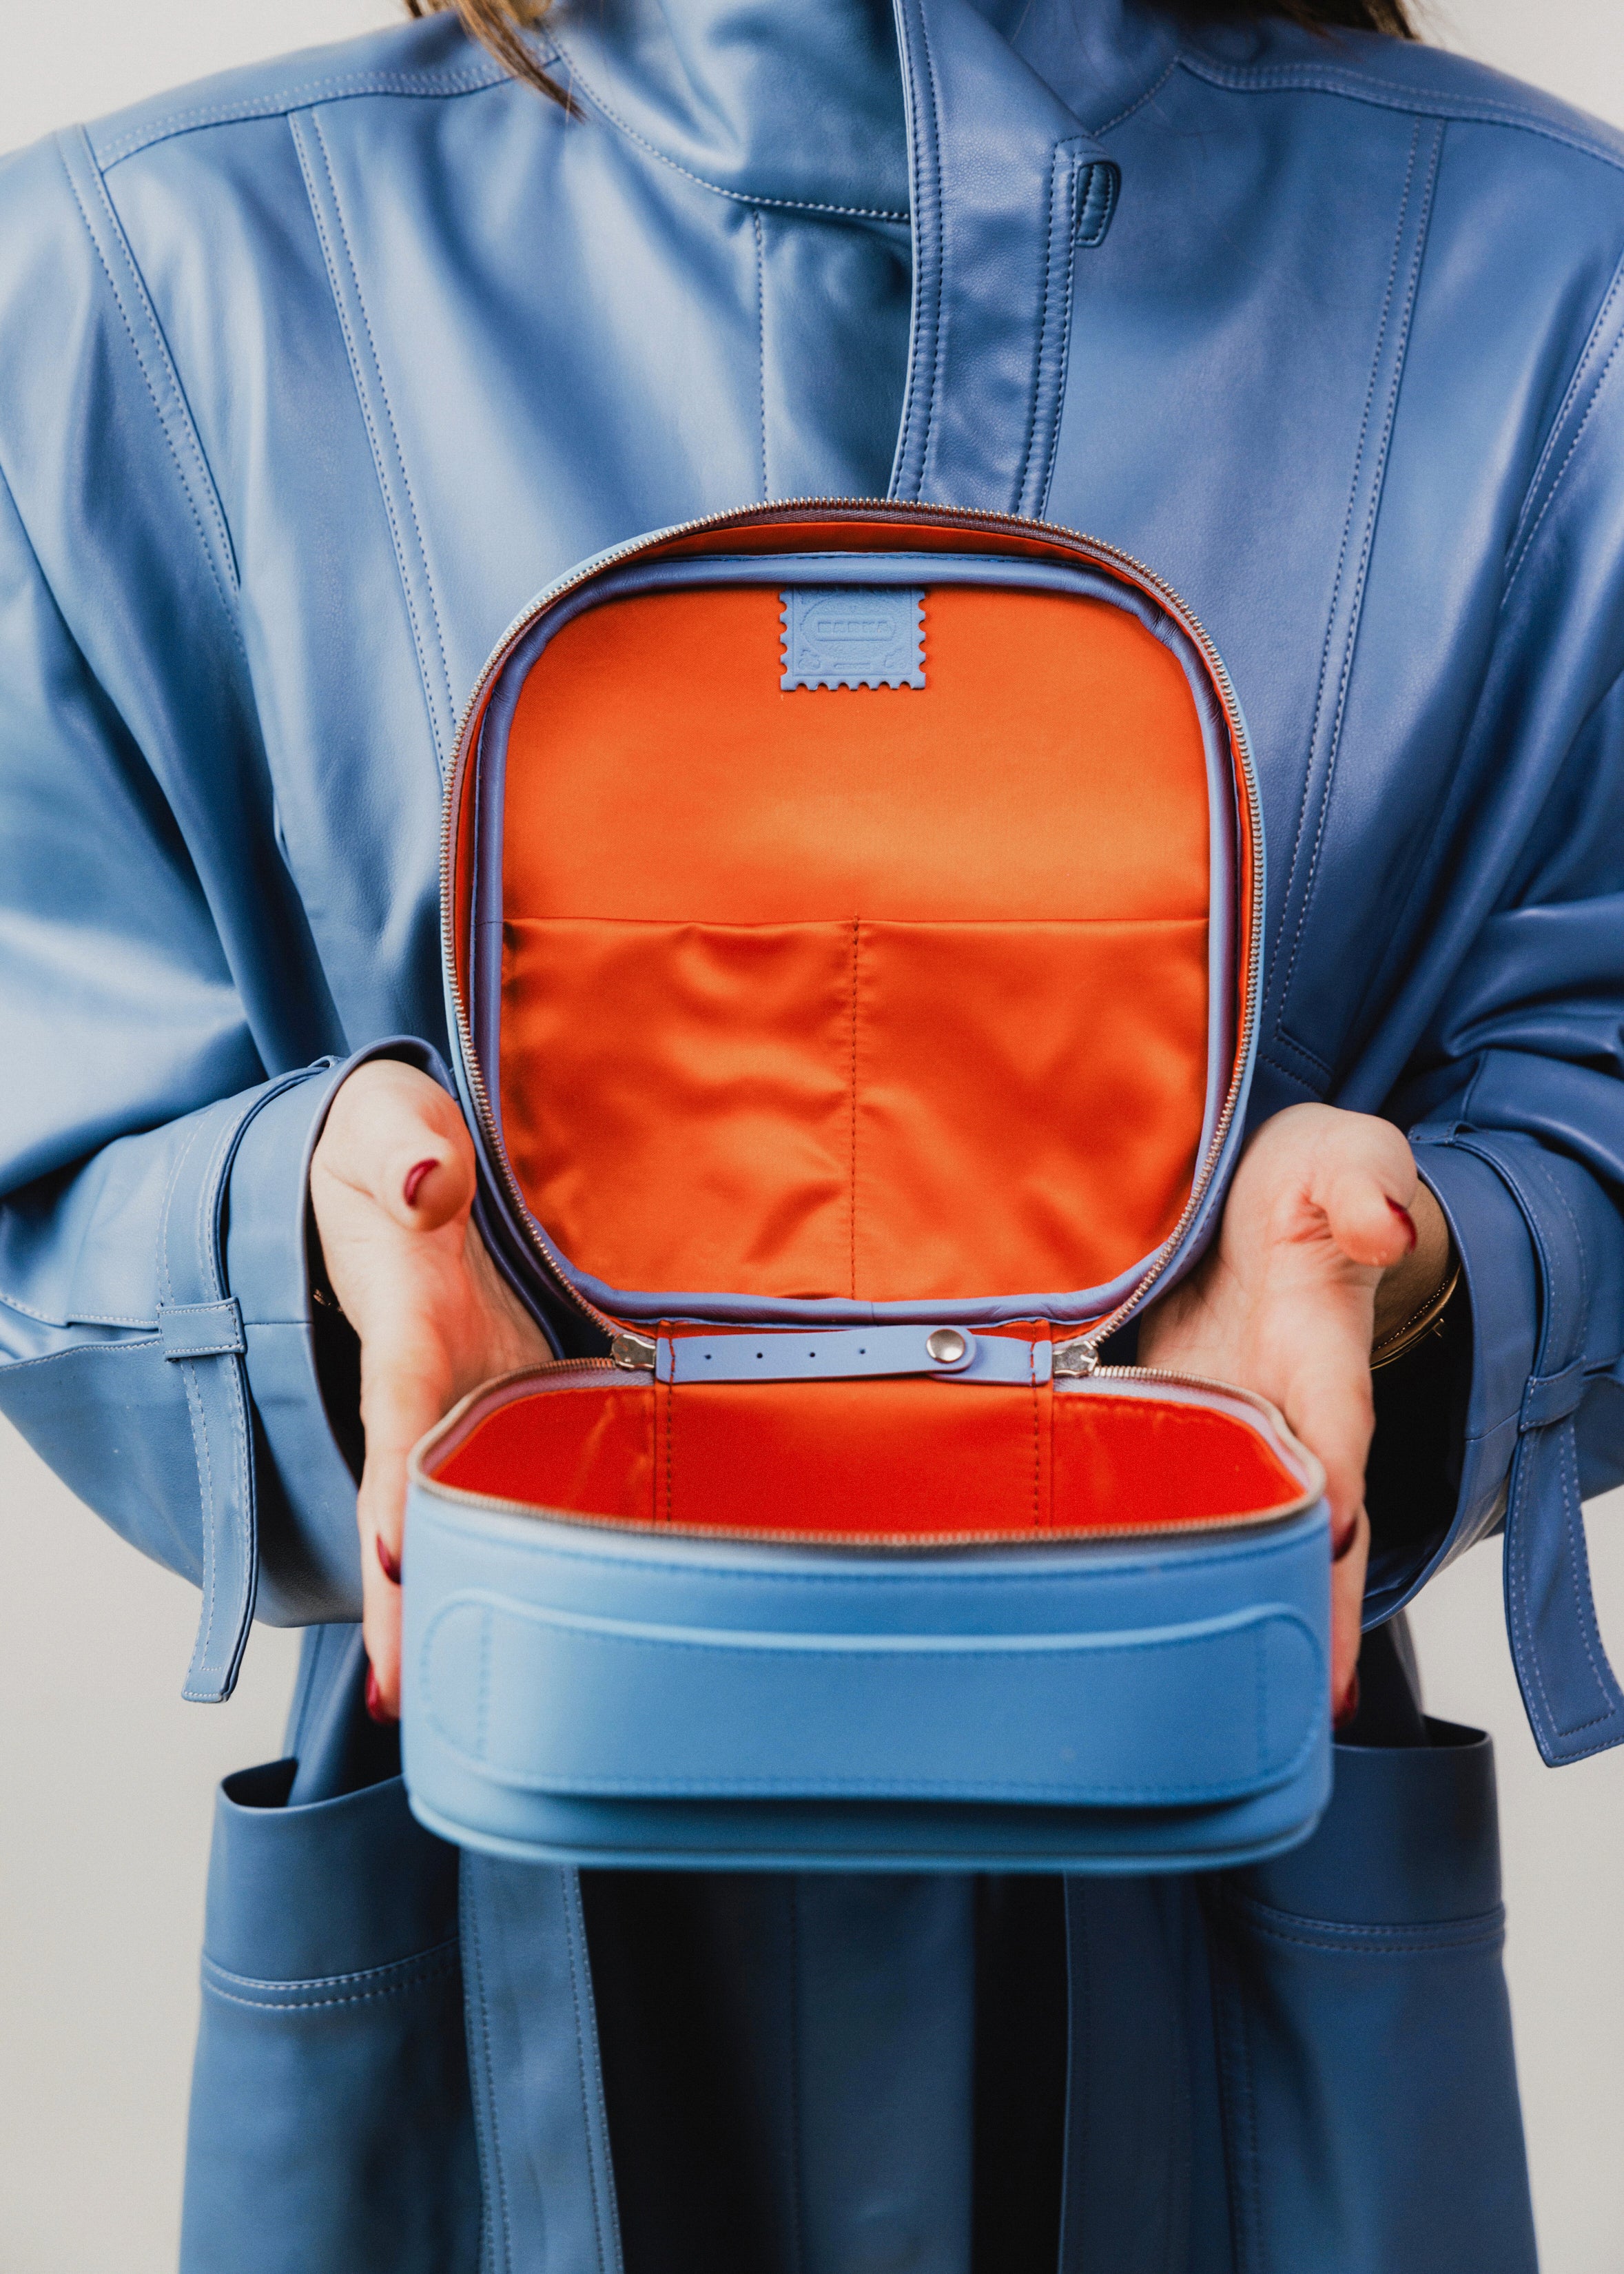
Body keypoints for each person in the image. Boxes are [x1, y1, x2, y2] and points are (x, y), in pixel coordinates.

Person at [1, 0, 1621, 2265]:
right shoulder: (152, 286)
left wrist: (1418, 1257)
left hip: (1223, 1976)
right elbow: (44, 1101)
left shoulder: (1560, 293)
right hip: (497, 2001)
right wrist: (309, 1219)